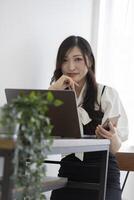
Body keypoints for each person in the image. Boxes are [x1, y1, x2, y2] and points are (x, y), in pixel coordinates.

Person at [49, 35, 129, 200]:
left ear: (89, 61)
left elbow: (115, 148)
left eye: (77, 59)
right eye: (65, 60)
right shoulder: (57, 95)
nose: (71, 66)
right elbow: (35, 126)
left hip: (103, 174)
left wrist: (110, 137)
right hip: (68, 174)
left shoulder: (106, 94)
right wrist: (54, 89)